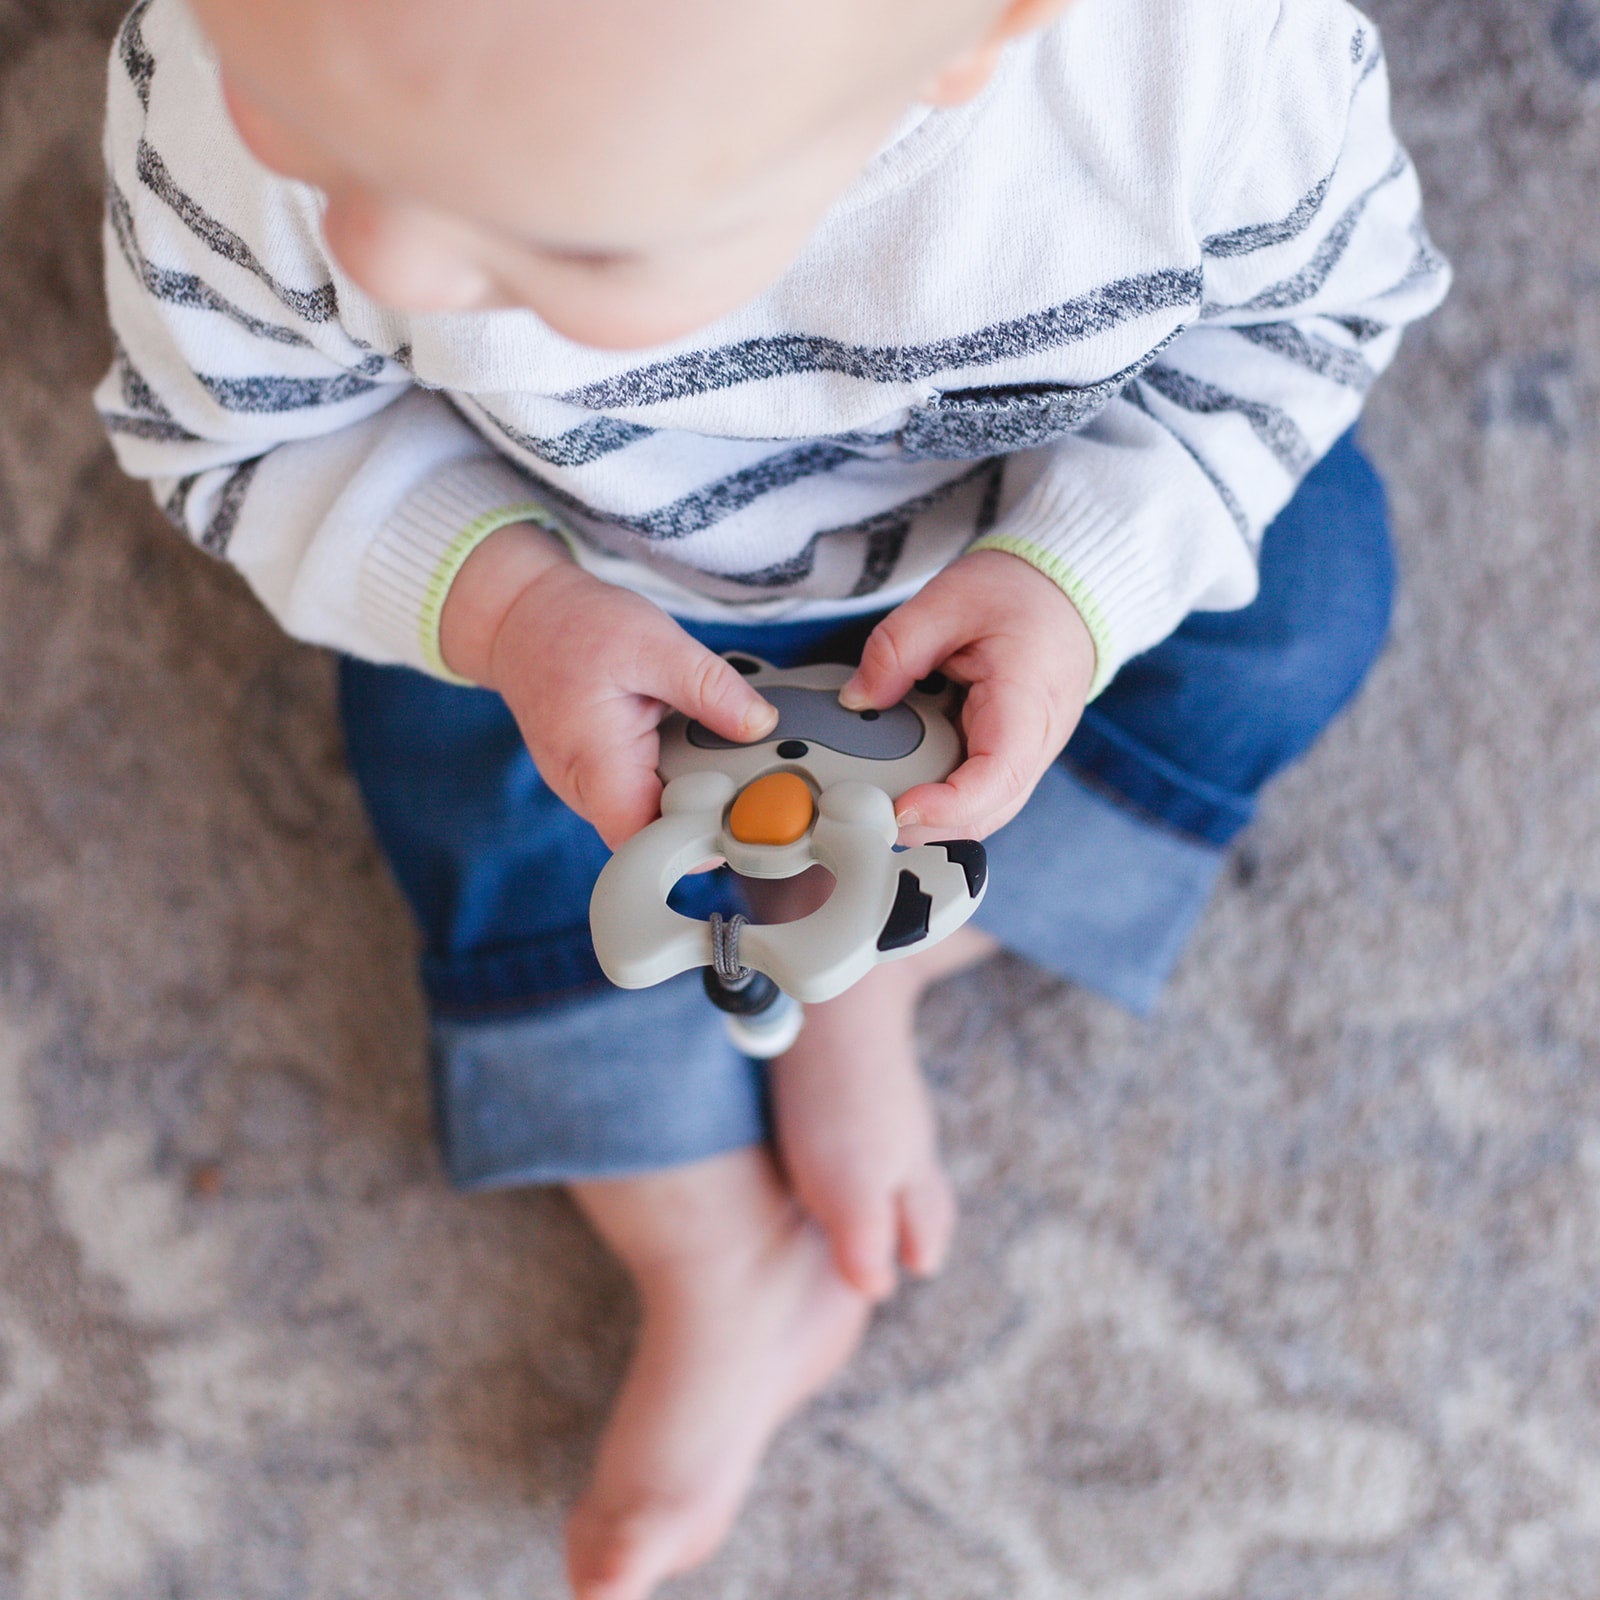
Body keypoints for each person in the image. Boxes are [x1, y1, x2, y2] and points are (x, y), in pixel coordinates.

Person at [96, 0, 1448, 1592]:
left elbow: (1311, 318)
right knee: (458, 769)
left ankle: (884, 955)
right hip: (561, 570)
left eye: (573, 237)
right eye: (306, 131)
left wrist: (1083, 580)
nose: (378, 252)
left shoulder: (1195, 69)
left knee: (1303, 596)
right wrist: (506, 613)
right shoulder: (238, 74)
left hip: (1011, 545)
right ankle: (706, 1247)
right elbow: (241, 437)